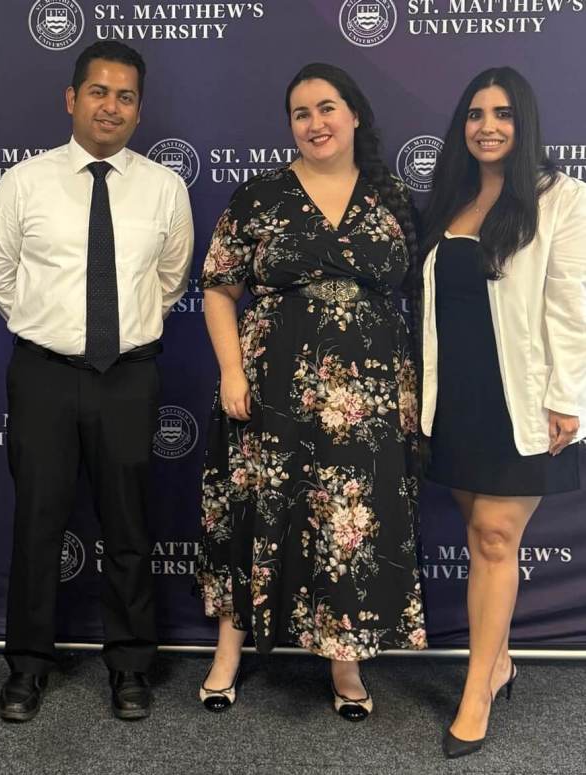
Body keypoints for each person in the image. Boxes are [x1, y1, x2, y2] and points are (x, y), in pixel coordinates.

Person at [196, 62, 426, 721]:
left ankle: (344, 659)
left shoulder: (391, 199)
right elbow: (218, 288)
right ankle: (228, 653)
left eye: (327, 108)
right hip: (271, 387)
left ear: (354, 114)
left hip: (368, 399)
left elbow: (421, 295)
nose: (315, 123)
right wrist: (232, 371)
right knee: (253, 513)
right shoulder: (260, 195)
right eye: (301, 113)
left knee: (349, 523)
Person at [0, 40, 193, 722]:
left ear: (139, 110)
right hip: (43, 374)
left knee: (129, 526)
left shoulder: (164, 187)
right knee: (37, 524)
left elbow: (169, 279)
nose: (111, 106)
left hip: (128, 377)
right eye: (99, 92)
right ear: (71, 98)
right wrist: (53, 328)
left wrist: (117, 333)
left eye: (125, 96)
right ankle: (28, 665)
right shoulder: (24, 182)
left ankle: (130, 664)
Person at [420, 67, 586, 759]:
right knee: (478, 532)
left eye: (504, 113)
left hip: (522, 397)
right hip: (455, 398)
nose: (488, 126)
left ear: (525, 124)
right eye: (476, 113)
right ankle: (502, 660)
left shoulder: (560, 198)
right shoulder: (449, 198)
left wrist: (567, 398)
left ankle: (478, 689)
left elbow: (572, 305)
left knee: (494, 537)